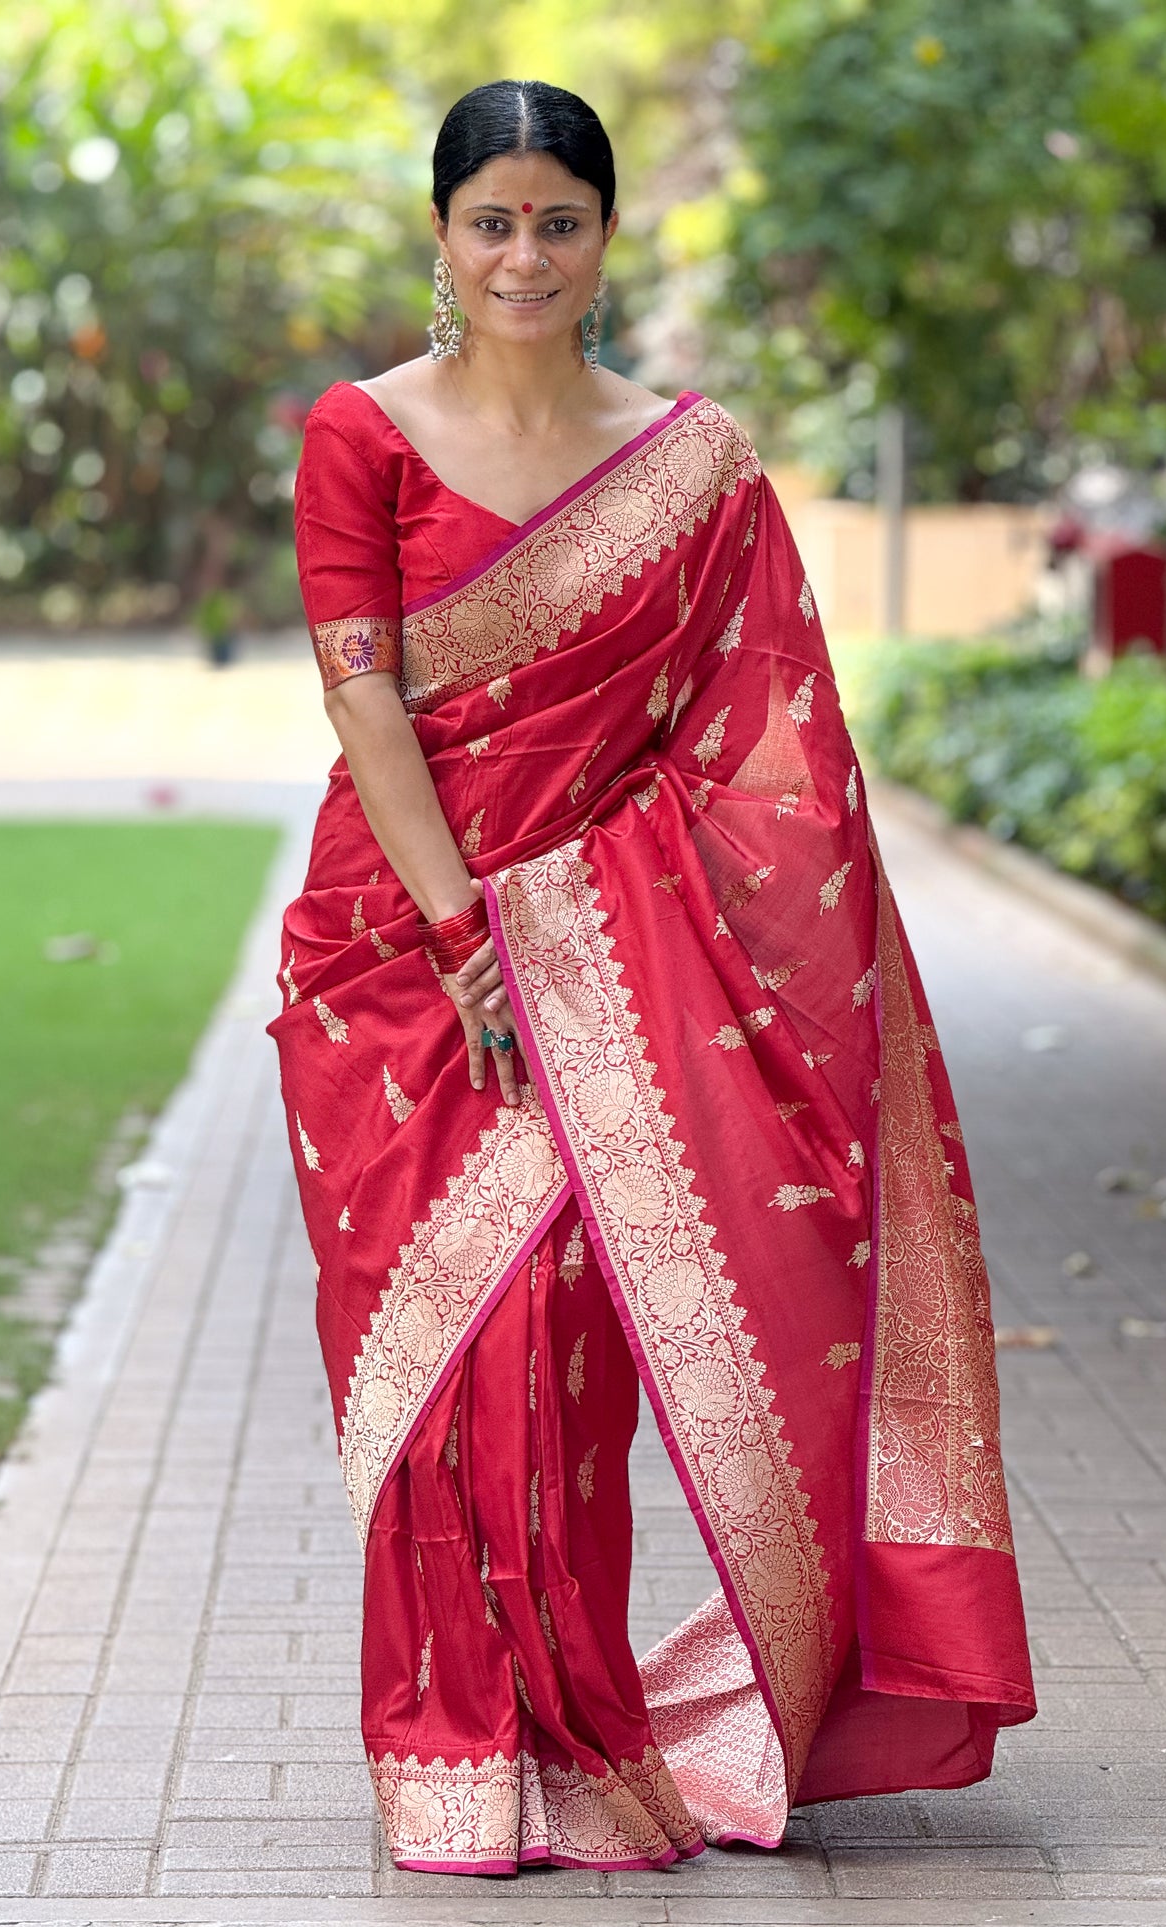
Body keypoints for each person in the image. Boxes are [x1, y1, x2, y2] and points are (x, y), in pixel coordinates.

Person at [269, 78, 1036, 1878]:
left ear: (605, 240)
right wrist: (469, 938)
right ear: (440, 239)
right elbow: (363, 696)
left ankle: (576, 1733)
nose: (522, 253)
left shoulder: (689, 463)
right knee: (439, 1363)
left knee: (567, 1350)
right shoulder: (359, 434)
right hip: (392, 958)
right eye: (490, 220)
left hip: (605, 967)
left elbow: (763, 741)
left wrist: (590, 937)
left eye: (558, 219)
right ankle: (448, 1748)